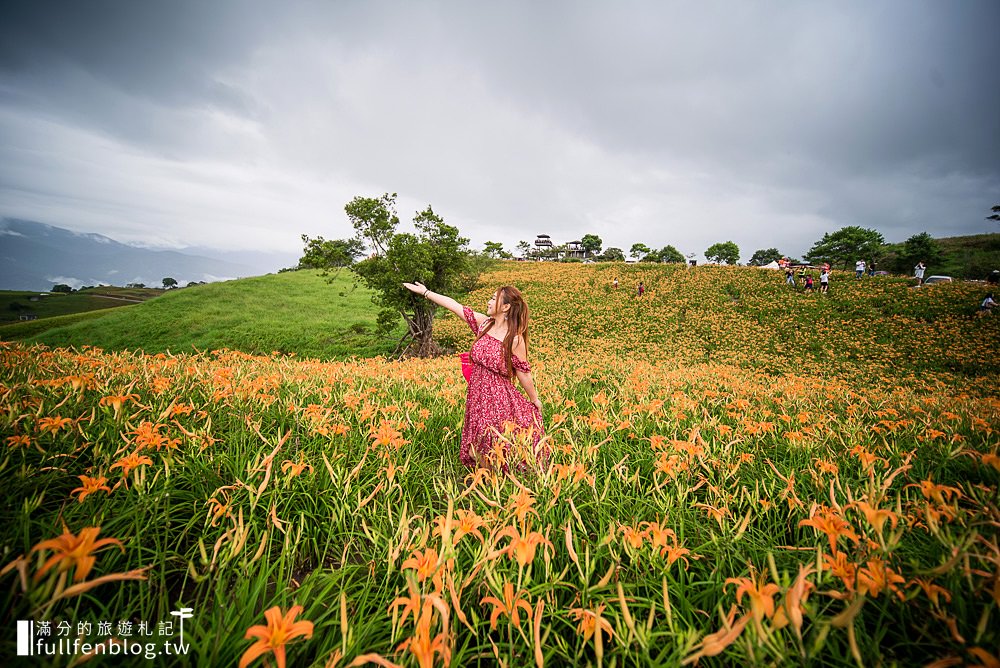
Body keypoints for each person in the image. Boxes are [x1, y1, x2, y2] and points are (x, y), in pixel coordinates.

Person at [402, 281, 545, 470]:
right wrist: (426, 292)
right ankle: (491, 483)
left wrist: (534, 399)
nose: (488, 301)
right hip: (477, 396)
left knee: (489, 445)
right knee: (478, 447)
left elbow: (523, 373)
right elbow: (454, 306)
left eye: (493, 299)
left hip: (498, 398)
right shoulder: (484, 325)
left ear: (506, 307)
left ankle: (497, 484)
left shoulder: (515, 338)